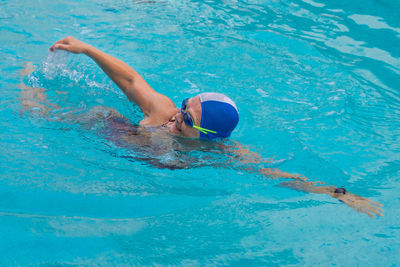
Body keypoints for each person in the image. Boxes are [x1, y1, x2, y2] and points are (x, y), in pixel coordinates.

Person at [20, 36, 384, 218]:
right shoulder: (161, 112)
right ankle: (30, 96)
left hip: (140, 168)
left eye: (188, 118)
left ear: (208, 136)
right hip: (117, 136)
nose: (177, 115)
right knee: (96, 110)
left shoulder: (220, 154)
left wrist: (338, 194)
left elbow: (279, 175)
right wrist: (86, 50)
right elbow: (131, 80)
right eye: (184, 106)